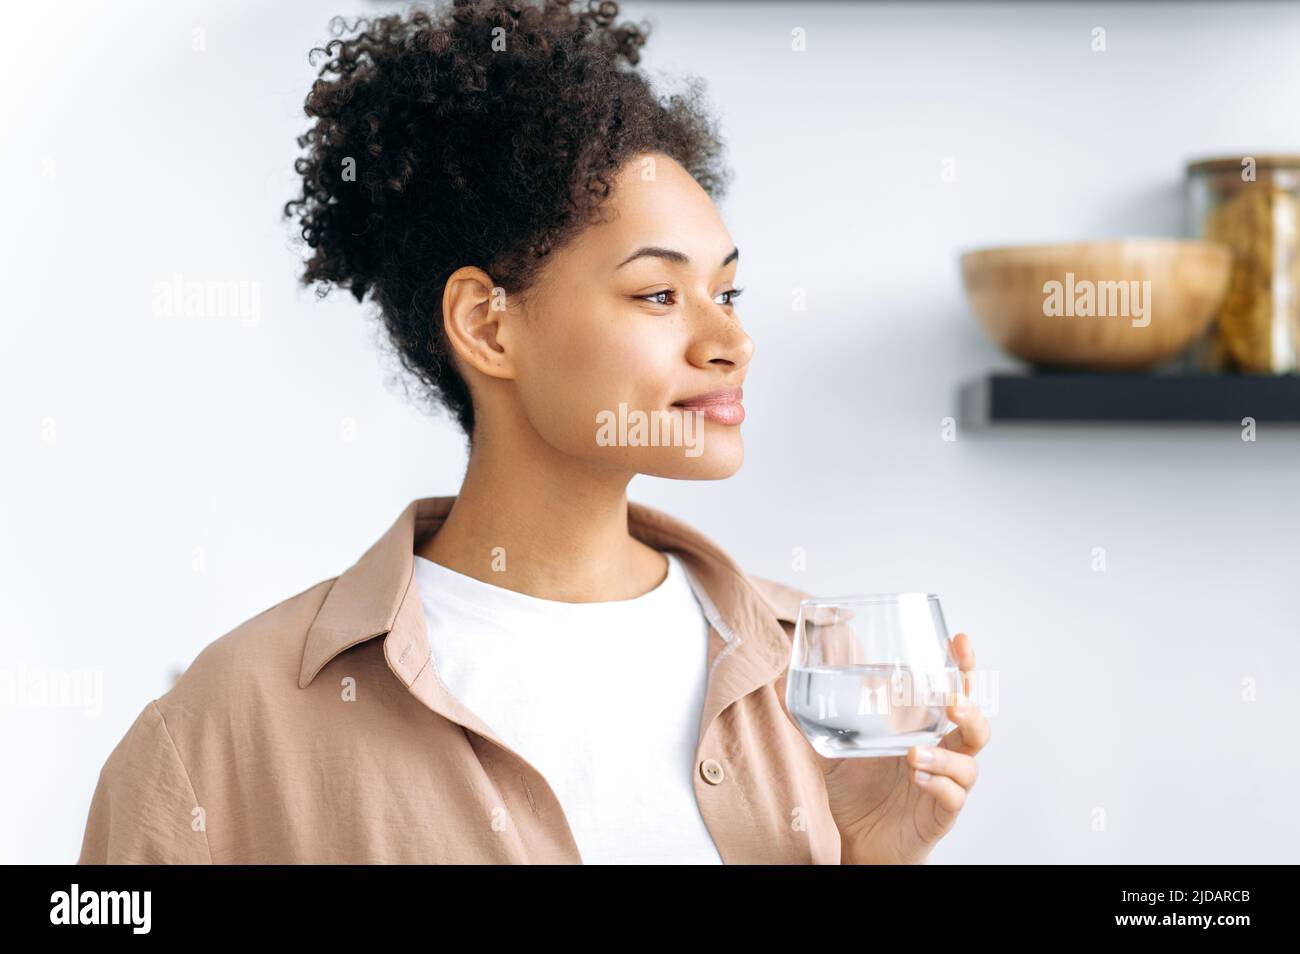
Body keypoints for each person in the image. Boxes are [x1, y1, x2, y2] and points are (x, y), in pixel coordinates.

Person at [77, 0, 988, 865]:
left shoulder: (810, 677)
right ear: (488, 325)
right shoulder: (227, 728)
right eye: (660, 295)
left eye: (729, 292)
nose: (732, 343)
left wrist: (862, 852)